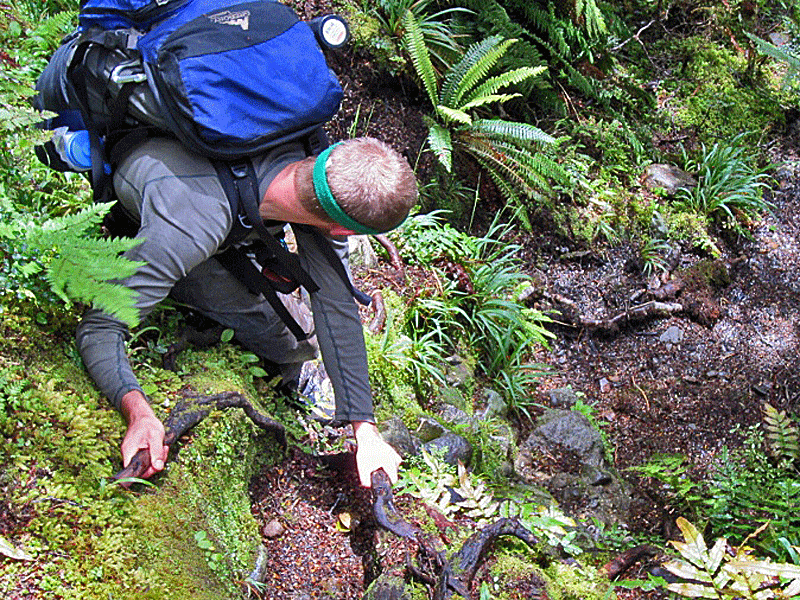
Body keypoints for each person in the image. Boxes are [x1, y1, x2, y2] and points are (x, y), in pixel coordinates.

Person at [76, 135, 418, 486]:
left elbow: (337, 303)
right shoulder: (192, 226)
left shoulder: (309, 160)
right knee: (293, 342)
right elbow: (100, 328)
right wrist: (138, 413)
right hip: (163, 209)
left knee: (303, 336)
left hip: (215, 210)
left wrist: (365, 430)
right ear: (344, 229)